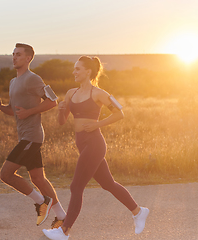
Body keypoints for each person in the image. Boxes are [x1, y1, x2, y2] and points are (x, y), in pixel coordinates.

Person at [42, 56, 149, 240]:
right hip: (81, 143)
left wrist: (97, 125)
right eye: (74, 69)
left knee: (76, 187)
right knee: (108, 184)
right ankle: (138, 211)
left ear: (88, 71)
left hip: (94, 144)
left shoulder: (99, 93)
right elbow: (61, 122)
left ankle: (64, 230)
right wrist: (60, 110)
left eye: (77, 69)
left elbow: (119, 114)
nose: (74, 72)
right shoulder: (71, 93)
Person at [0, 43, 66, 228]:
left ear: (28, 58)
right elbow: (15, 111)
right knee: (38, 178)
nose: (14, 57)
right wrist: (1, 107)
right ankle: (62, 217)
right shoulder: (13, 82)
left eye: (18, 54)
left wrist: (30, 111)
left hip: (31, 136)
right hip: (25, 137)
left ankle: (42, 202)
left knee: (6, 174)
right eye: (13, 54)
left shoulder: (33, 79)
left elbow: (53, 101)